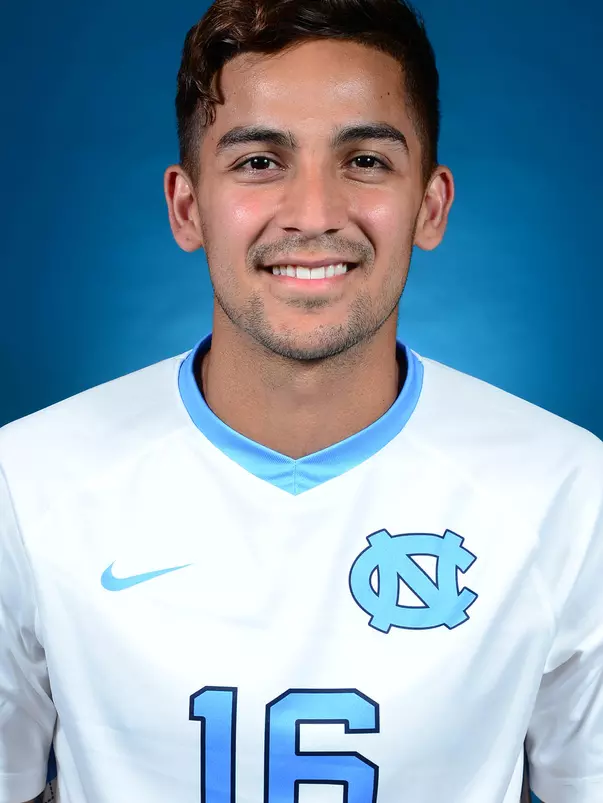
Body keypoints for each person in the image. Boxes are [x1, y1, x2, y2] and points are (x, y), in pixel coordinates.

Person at [1, 0, 601, 801]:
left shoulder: (568, 489)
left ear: (430, 204)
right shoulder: (27, 482)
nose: (314, 214)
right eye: (258, 162)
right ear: (187, 207)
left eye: (364, 160)